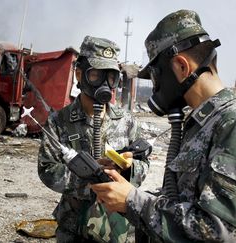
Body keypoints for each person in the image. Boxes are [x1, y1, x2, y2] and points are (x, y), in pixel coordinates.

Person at [91, 9, 236, 242]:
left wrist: (132, 201)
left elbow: (217, 231)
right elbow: (184, 200)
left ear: (181, 67)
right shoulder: (202, 122)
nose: (156, 88)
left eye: (156, 76)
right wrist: (128, 191)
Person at [38, 36, 149, 242]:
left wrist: (128, 169)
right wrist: (87, 178)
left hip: (117, 227)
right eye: (97, 75)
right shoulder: (59, 121)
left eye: (111, 77)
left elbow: (143, 163)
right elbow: (47, 169)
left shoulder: (126, 121)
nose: (105, 84)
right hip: (75, 226)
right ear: (80, 74)